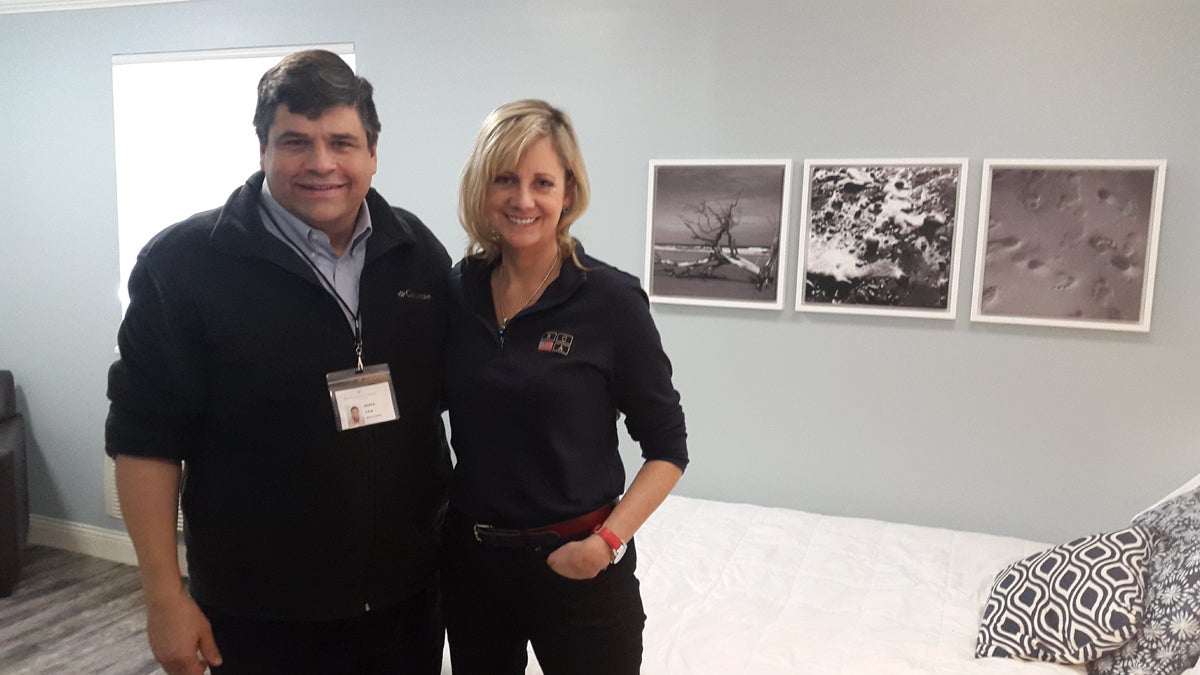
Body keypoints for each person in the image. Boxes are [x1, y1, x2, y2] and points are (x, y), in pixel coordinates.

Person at [105, 50, 451, 675]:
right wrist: (163, 596)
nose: (321, 163)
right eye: (296, 141)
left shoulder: (416, 253)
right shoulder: (183, 266)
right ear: (263, 148)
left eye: (342, 142)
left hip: (405, 603)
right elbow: (144, 441)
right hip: (258, 613)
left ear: (372, 152)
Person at [441, 99, 689, 674]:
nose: (523, 200)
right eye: (505, 179)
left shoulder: (610, 302)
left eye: (541, 182)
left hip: (578, 567)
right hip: (473, 569)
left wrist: (604, 545)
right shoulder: (457, 293)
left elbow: (668, 449)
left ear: (568, 192)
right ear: (482, 188)